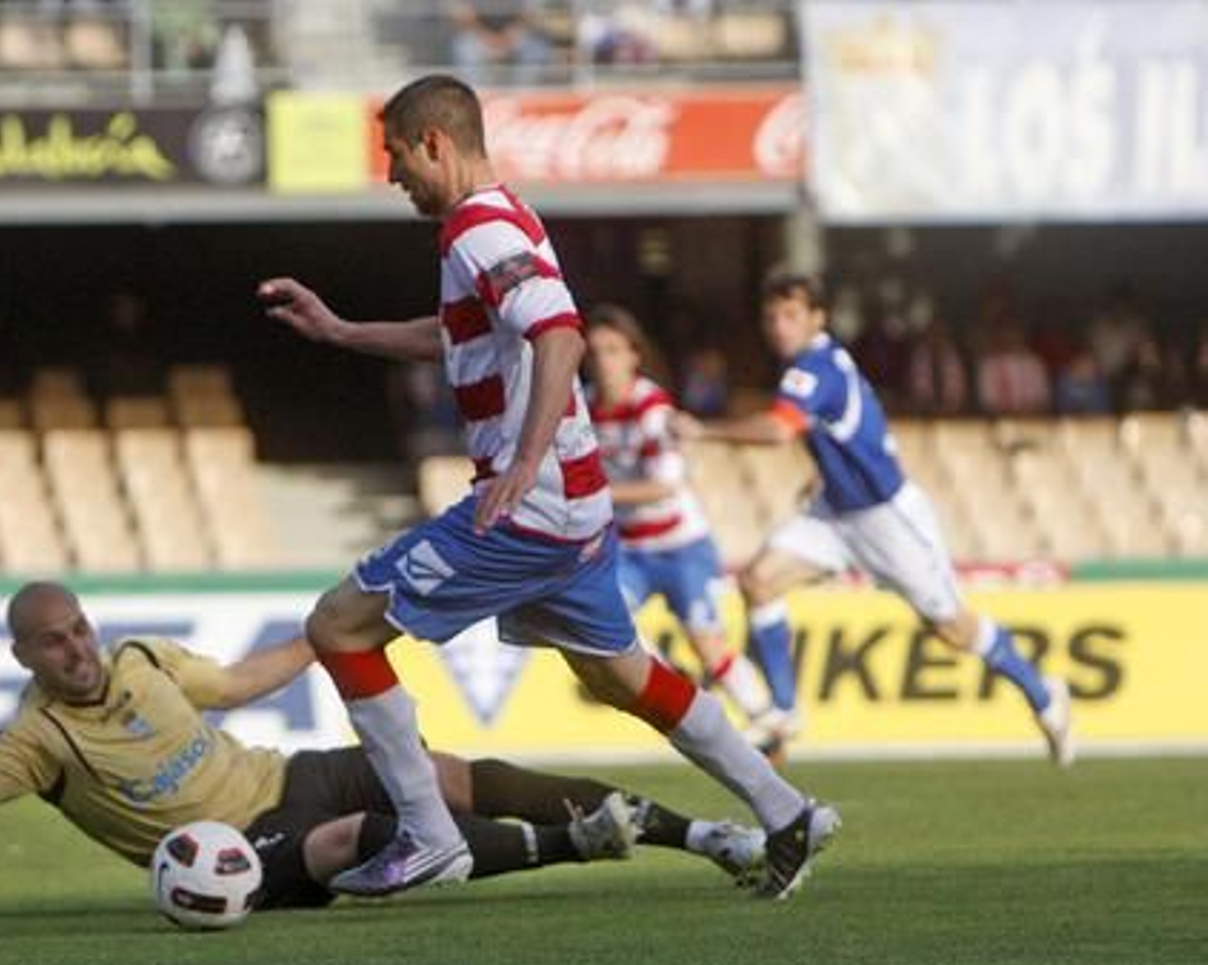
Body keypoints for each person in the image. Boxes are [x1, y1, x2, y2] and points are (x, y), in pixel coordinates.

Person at [258, 75, 836, 900]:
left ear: (434, 144)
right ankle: (785, 811)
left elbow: (558, 334)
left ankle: (427, 835)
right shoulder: (502, 222)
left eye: (395, 155)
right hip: (576, 506)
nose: (392, 176)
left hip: (531, 508)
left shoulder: (477, 230)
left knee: (340, 627)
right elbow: (463, 337)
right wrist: (343, 331)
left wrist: (525, 460)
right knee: (620, 676)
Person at [0, 583, 772, 910]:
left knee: (467, 773)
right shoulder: (36, 740)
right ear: (24, 654)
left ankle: (708, 834)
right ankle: (579, 845)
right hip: (237, 852)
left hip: (288, 774)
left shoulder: (142, 656)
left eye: (80, 627)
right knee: (364, 834)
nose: (78, 646)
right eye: (54, 639)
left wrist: (335, 636)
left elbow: (234, 682)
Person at [670, 270, 1075, 765]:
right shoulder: (816, 366)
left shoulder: (815, 368)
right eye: (772, 316)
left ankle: (1044, 695)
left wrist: (703, 431)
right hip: (835, 513)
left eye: (791, 314)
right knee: (757, 581)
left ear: (818, 318)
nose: (779, 325)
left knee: (952, 629)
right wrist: (827, 475)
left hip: (886, 518)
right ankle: (783, 710)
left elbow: (779, 431)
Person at [583, 305, 785, 746]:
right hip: (630, 547)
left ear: (635, 355)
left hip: (681, 545)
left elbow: (664, 486)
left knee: (707, 642)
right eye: (595, 351)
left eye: (613, 350)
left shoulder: (653, 408)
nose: (603, 361)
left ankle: (767, 719)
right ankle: (683, 699)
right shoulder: (583, 408)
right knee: (610, 627)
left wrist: (595, 495)